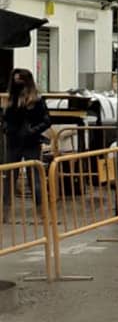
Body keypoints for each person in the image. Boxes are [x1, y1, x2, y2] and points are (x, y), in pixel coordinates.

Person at [2, 69, 52, 221]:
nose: (18, 84)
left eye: (20, 81)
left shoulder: (35, 100)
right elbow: (5, 119)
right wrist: (6, 128)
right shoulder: (13, 99)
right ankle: (6, 213)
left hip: (28, 142)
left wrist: (32, 132)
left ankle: (41, 212)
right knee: (10, 177)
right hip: (16, 141)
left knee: (33, 178)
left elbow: (47, 121)